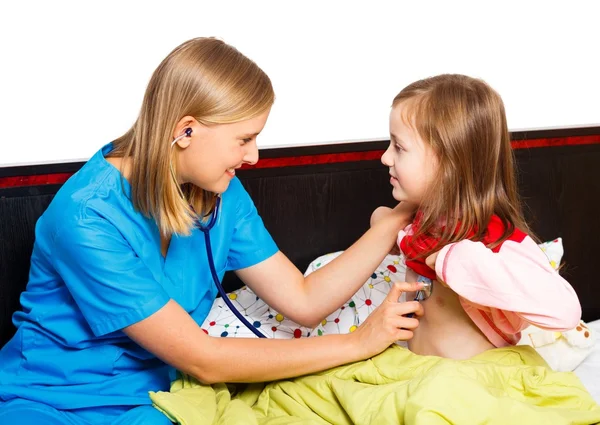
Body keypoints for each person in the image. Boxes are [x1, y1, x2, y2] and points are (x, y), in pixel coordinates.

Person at [0, 37, 424, 424]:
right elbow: (204, 359)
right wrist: (358, 344)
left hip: (158, 396)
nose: (254, 155)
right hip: (53, 399)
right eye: (245, 139)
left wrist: (391, 223)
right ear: (186, 130)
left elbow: (304, 300)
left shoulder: (220, 191)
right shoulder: (86, 218)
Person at [370, 73, 582, 360]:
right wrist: (386, 222)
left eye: (399, 147)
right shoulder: (419, 225)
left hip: (475, 381)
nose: (385, 157)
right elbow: (387, 226)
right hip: (420, 373)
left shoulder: (495, 240)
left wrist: (459, 260)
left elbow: (566, 311)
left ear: (448, 165)